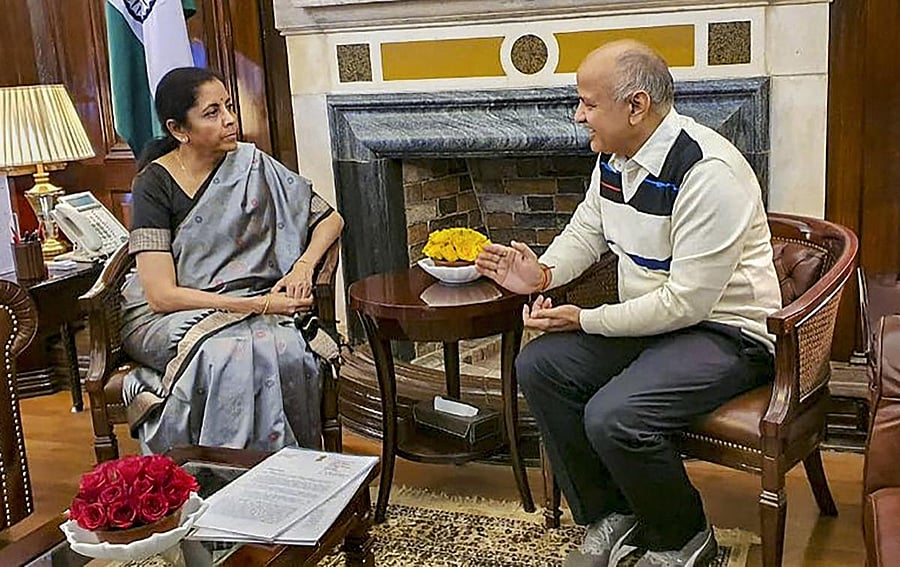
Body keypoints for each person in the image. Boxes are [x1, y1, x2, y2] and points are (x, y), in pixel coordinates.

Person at [475, 40, 780, 567]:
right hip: (655, 324)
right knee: (541, 366)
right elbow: (586, 233)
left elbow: (685, 303)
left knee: (615, 415)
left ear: (636, 106)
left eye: (588, 103)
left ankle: (684, 539)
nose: (578, 115)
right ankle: (612, 514)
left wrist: (584, 318)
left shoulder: (707, 173)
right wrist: (542, 271)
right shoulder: (616, 160)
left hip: (726, 333)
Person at [120, 67, 344, 455]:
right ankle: (216, 477)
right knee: (227, 356)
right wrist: (259, 305)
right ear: (178, 130)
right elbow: (160, 296)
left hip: (251, 301)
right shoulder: (154, 185)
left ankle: (289, 475)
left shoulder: (252, 164)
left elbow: (331, 220)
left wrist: (303, 266)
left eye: (228, 106)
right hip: (170, 315)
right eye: (212, 112)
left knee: (288, 348)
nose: (229, 119)